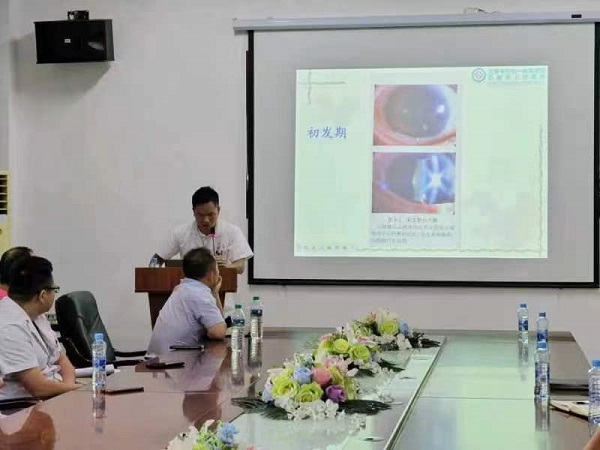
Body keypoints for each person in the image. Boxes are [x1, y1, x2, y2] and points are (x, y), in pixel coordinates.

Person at [0, 256, 79, 400]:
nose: (54, 294)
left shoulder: (37, 315)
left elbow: (62, 360)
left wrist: (70, 389)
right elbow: (37, 387)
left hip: (56, 394)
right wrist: (78, 390)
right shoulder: (10, 327)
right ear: (43, 295)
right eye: (54, 289)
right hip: (27, 406)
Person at [153, 186, 253, 274]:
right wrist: (153, 274)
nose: (206, 220)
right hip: (190, 288)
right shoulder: (180, 233)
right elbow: (156, 259)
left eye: (210, 214)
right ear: (193, 211)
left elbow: (240, 266)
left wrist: (228, 267)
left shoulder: (232, 232)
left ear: (218, 210)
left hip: (221, 287)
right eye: (200, 215)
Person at [147, 248, 227, 355]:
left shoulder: (182, 288)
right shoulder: (200, 293)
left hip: (156, 360)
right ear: (212, 274)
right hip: (172, 361)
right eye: (217, 270)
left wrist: (215, 293)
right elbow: (219, 332)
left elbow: (218, 326)